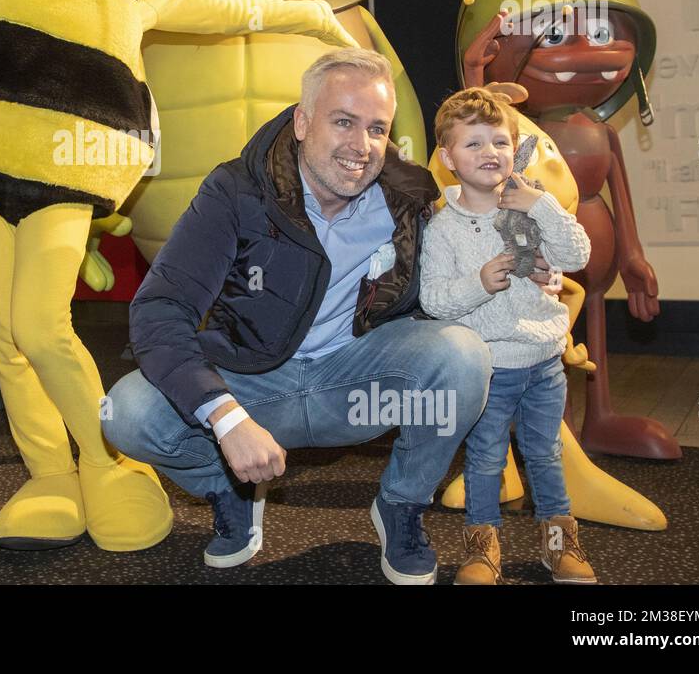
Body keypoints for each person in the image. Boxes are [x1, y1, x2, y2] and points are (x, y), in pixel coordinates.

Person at [106, 48, 499, 583]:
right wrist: (227, 419)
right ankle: (231, 488)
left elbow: (448, 283)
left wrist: (525, 260)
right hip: (255, 381)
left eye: (377, 129)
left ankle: (402, 505)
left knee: (463, 354)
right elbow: (161, 308)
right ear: (302, 122)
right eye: (343, 122)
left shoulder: (407, 198)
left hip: (355, 382)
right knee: (126, 411)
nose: (361, 145)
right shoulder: (236, 191)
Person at [420, 87, 596, 584]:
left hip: (543, 360)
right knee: (484, 461)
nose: (489, 152)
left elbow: (576, 255)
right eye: (473, 143)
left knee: (545, 455)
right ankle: (482, 550)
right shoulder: (443, 229)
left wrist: (543, 206)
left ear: (515, 149)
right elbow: (433, 299)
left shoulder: (531, 207)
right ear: (448, 158)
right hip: (488, 367)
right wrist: (478, 283)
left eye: (499, 142)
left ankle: (559, 545)